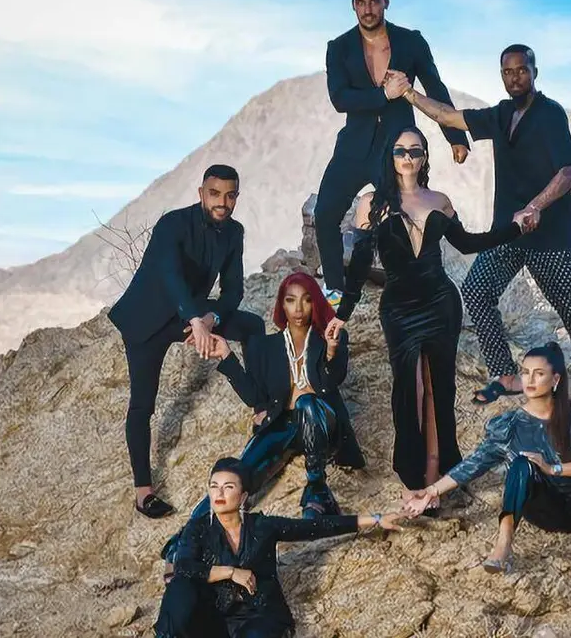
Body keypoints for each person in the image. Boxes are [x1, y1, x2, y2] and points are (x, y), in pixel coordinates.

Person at [395, 44, 571, 410]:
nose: (515, 78)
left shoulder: (550, 114)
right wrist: (409, 94)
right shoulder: (500, 114)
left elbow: (568, 172)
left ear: (534, 72)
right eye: (508, 72)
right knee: (477, 290)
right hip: (509, 231)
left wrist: (535, 206)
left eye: (522, 70)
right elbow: (449, 117)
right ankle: (505, 374)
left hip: (550, 235)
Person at [322, 126, 527, 501]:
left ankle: (440, 477)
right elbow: (360, 264)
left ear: (425, 157)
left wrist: (515, 228)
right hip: (399, 308)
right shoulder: (371, 203)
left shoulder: (440, 200)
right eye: (400, 151)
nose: (407, 157)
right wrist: (342, 313)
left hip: (440, 303)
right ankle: (412, 479)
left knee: (440, 390)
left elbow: (468, 243)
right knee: (409, 390)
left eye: (415, 151)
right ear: (390, 156)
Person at [159, 271, 369, 570]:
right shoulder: (266, 346)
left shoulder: (330, 337)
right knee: (238, 474)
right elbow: (254, 396)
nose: (298, 309)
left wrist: (333, 351)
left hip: (322, 421)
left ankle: (317, 491)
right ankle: (186, 539)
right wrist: (227, 357)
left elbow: (329, 382)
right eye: (291, 301)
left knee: (308, 402)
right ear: (281, 305)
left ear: (316, 303)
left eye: (307, 300)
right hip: (282, 423)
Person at [107, 164, 266, 518]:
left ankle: (262, 408)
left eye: (230, 195)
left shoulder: (234, 233)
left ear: (236, 197)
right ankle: (144, 493)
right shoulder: (172, 224)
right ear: (201, 194)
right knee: (142, 405)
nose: (222, 202)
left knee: (253, 326)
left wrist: (211, 319)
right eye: (214, 194)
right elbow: (170, 276)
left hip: (191, 316)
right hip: (147, 319)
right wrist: (195, 319)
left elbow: (234, 291)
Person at [402, 343, 571, 595]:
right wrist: (431, 491)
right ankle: (503, 544)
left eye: (539, 373)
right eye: (525, 372)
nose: (530, 379)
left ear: (556, 379)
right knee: (521, 464)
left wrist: (553, 468)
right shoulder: (511, 425)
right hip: (545, 509)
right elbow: (474, 463)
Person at [315, 0, 470, 309]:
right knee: (325, 213)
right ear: (353, 5)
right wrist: (384, 95)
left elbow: (435, 87)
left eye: (374, 1)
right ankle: (335, 292)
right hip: (354, 147)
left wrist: (455, 137)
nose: (368, 9)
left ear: (385, 2)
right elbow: (340, 98)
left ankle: (419, 287)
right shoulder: (338, 48)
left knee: (410, 218)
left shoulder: (410, 42)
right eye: (361, 3)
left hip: (398, 148)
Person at [154, 457, 405, 638]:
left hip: (259, 614)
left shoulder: (263, 526)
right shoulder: (198, 528)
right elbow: (184, 567)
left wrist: (375, 519)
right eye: (214, 486)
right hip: (216, 617)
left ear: (243, 496)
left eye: (228, 487)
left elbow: (315, 528)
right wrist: (230, 572)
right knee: (180, 588)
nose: (219, 493)